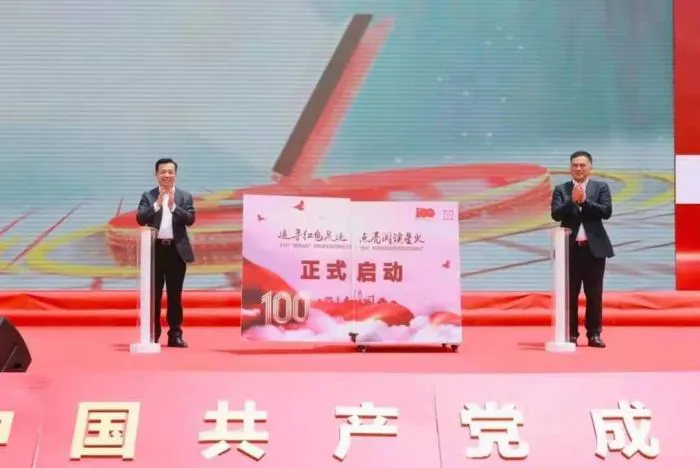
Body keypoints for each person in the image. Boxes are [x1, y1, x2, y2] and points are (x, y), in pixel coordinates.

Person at [550, 151, 614, 348]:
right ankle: (571, 335)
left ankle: (594, 334)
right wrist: (572, 200)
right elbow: (556, 214)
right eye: (575, 165)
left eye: (582, 165)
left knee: (594, 295)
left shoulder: (600, 187)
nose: (578, 168)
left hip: (594, 250)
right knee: (570, 295)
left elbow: (606, 212)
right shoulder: (561, 189)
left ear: (590, 168)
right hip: (569, 251)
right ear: (570, 168)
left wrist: (584, 202)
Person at [136, 158, 196, 348]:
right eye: (163, 171)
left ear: (175, 174)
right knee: (153, 296)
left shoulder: (185, 196)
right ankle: (152, 334)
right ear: (156, 174)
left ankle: (175, 335)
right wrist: (157, 204)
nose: (167, 175)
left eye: (170, 171)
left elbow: (190, 219)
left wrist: (173, 207)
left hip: (176, 252)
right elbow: (140, 218)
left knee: (174, 296)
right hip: (154, 252)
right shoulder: (148, 196)